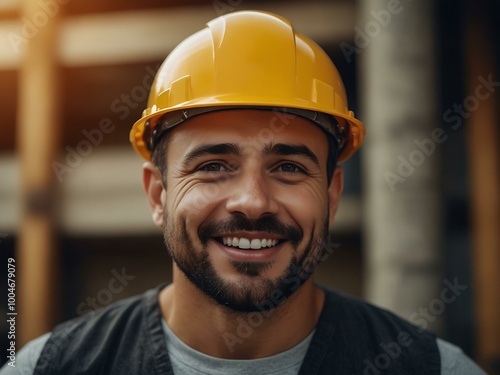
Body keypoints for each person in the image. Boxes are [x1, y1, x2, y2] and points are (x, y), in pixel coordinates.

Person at [1, 10, 486, 375]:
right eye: (213, 166)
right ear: (157, 195)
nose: (253, 201)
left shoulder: (436, 369)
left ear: (332, 195)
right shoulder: (46, 368)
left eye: (289, 167)